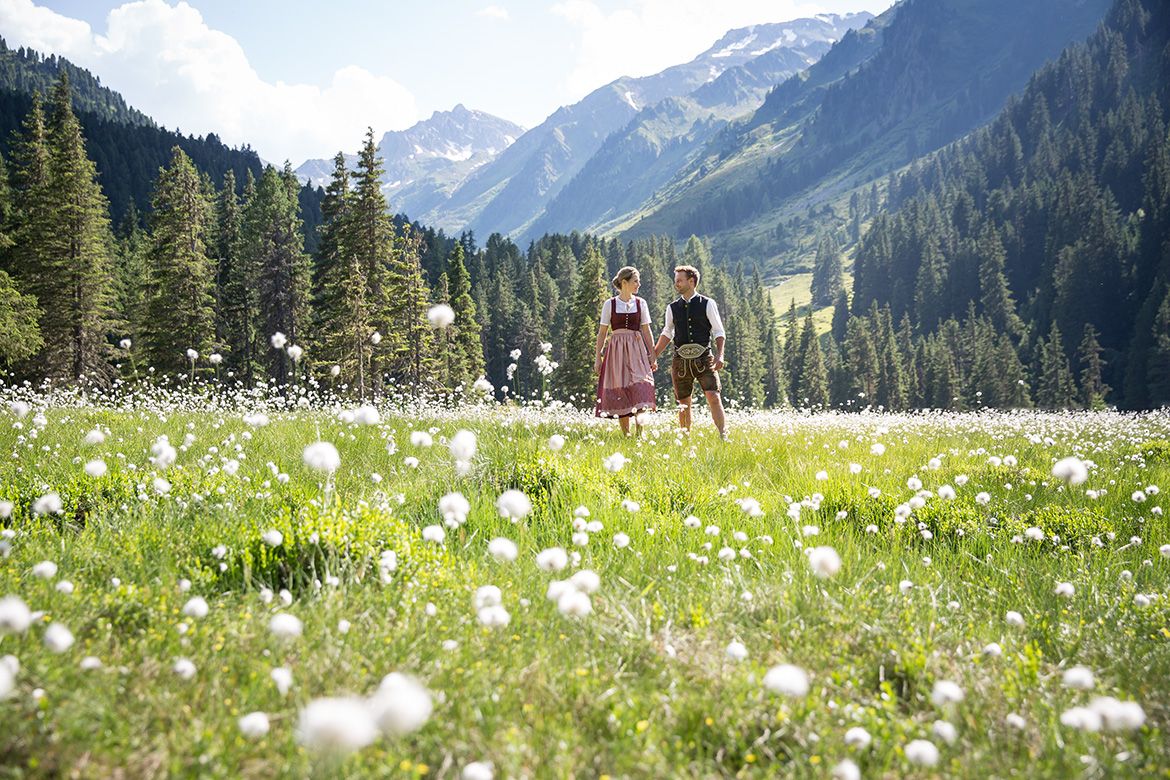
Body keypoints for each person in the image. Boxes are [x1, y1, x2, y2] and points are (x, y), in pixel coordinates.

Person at [653, 265, 728, 439]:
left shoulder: (708, 304)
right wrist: (654, 354)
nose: (676, 284)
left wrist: (720, 354)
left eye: (679, 280)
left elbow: (718, 331)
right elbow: (667, 332)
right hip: (680, 361)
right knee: (683, 403)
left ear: (691, 281)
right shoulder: (672, 308)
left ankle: (724, 435)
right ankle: (685, 440)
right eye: (675, 281)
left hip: (704, 358)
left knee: (713, 396)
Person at [594, 266, 658, 435]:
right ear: (624, 282)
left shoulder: (641, 303)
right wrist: (597, 357)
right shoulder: (610, 304)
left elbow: (646, 330)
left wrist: (652, 354)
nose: (639, 284)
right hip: (617, 350)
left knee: (642, 385)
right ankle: (626, 435)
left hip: (637, 349)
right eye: (635, 281)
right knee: (621, 388)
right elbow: (602, 332)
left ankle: (640, 432)